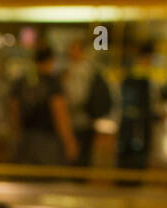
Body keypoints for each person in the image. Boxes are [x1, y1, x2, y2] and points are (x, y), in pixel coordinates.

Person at [9, 45, 78, 165]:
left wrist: (17, 134)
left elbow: (13, 111)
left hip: (25, 138)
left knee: (24, 178)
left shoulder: (21, 82)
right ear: (51, 61)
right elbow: (60, 113)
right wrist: (69, 141)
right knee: (46, 179)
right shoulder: (52, 83)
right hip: (48, 141)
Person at [62, 38, 111, 166]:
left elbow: (77, 97)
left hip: (79, 120)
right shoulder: (88, 69)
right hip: (86, 119)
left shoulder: (80, 71)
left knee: (77, 157)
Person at [117, 42, 157, 170]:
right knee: (136, 155)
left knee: (126, 153)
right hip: (139, 123)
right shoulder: (143, 76)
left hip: (128, 121)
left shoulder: (129, 74)